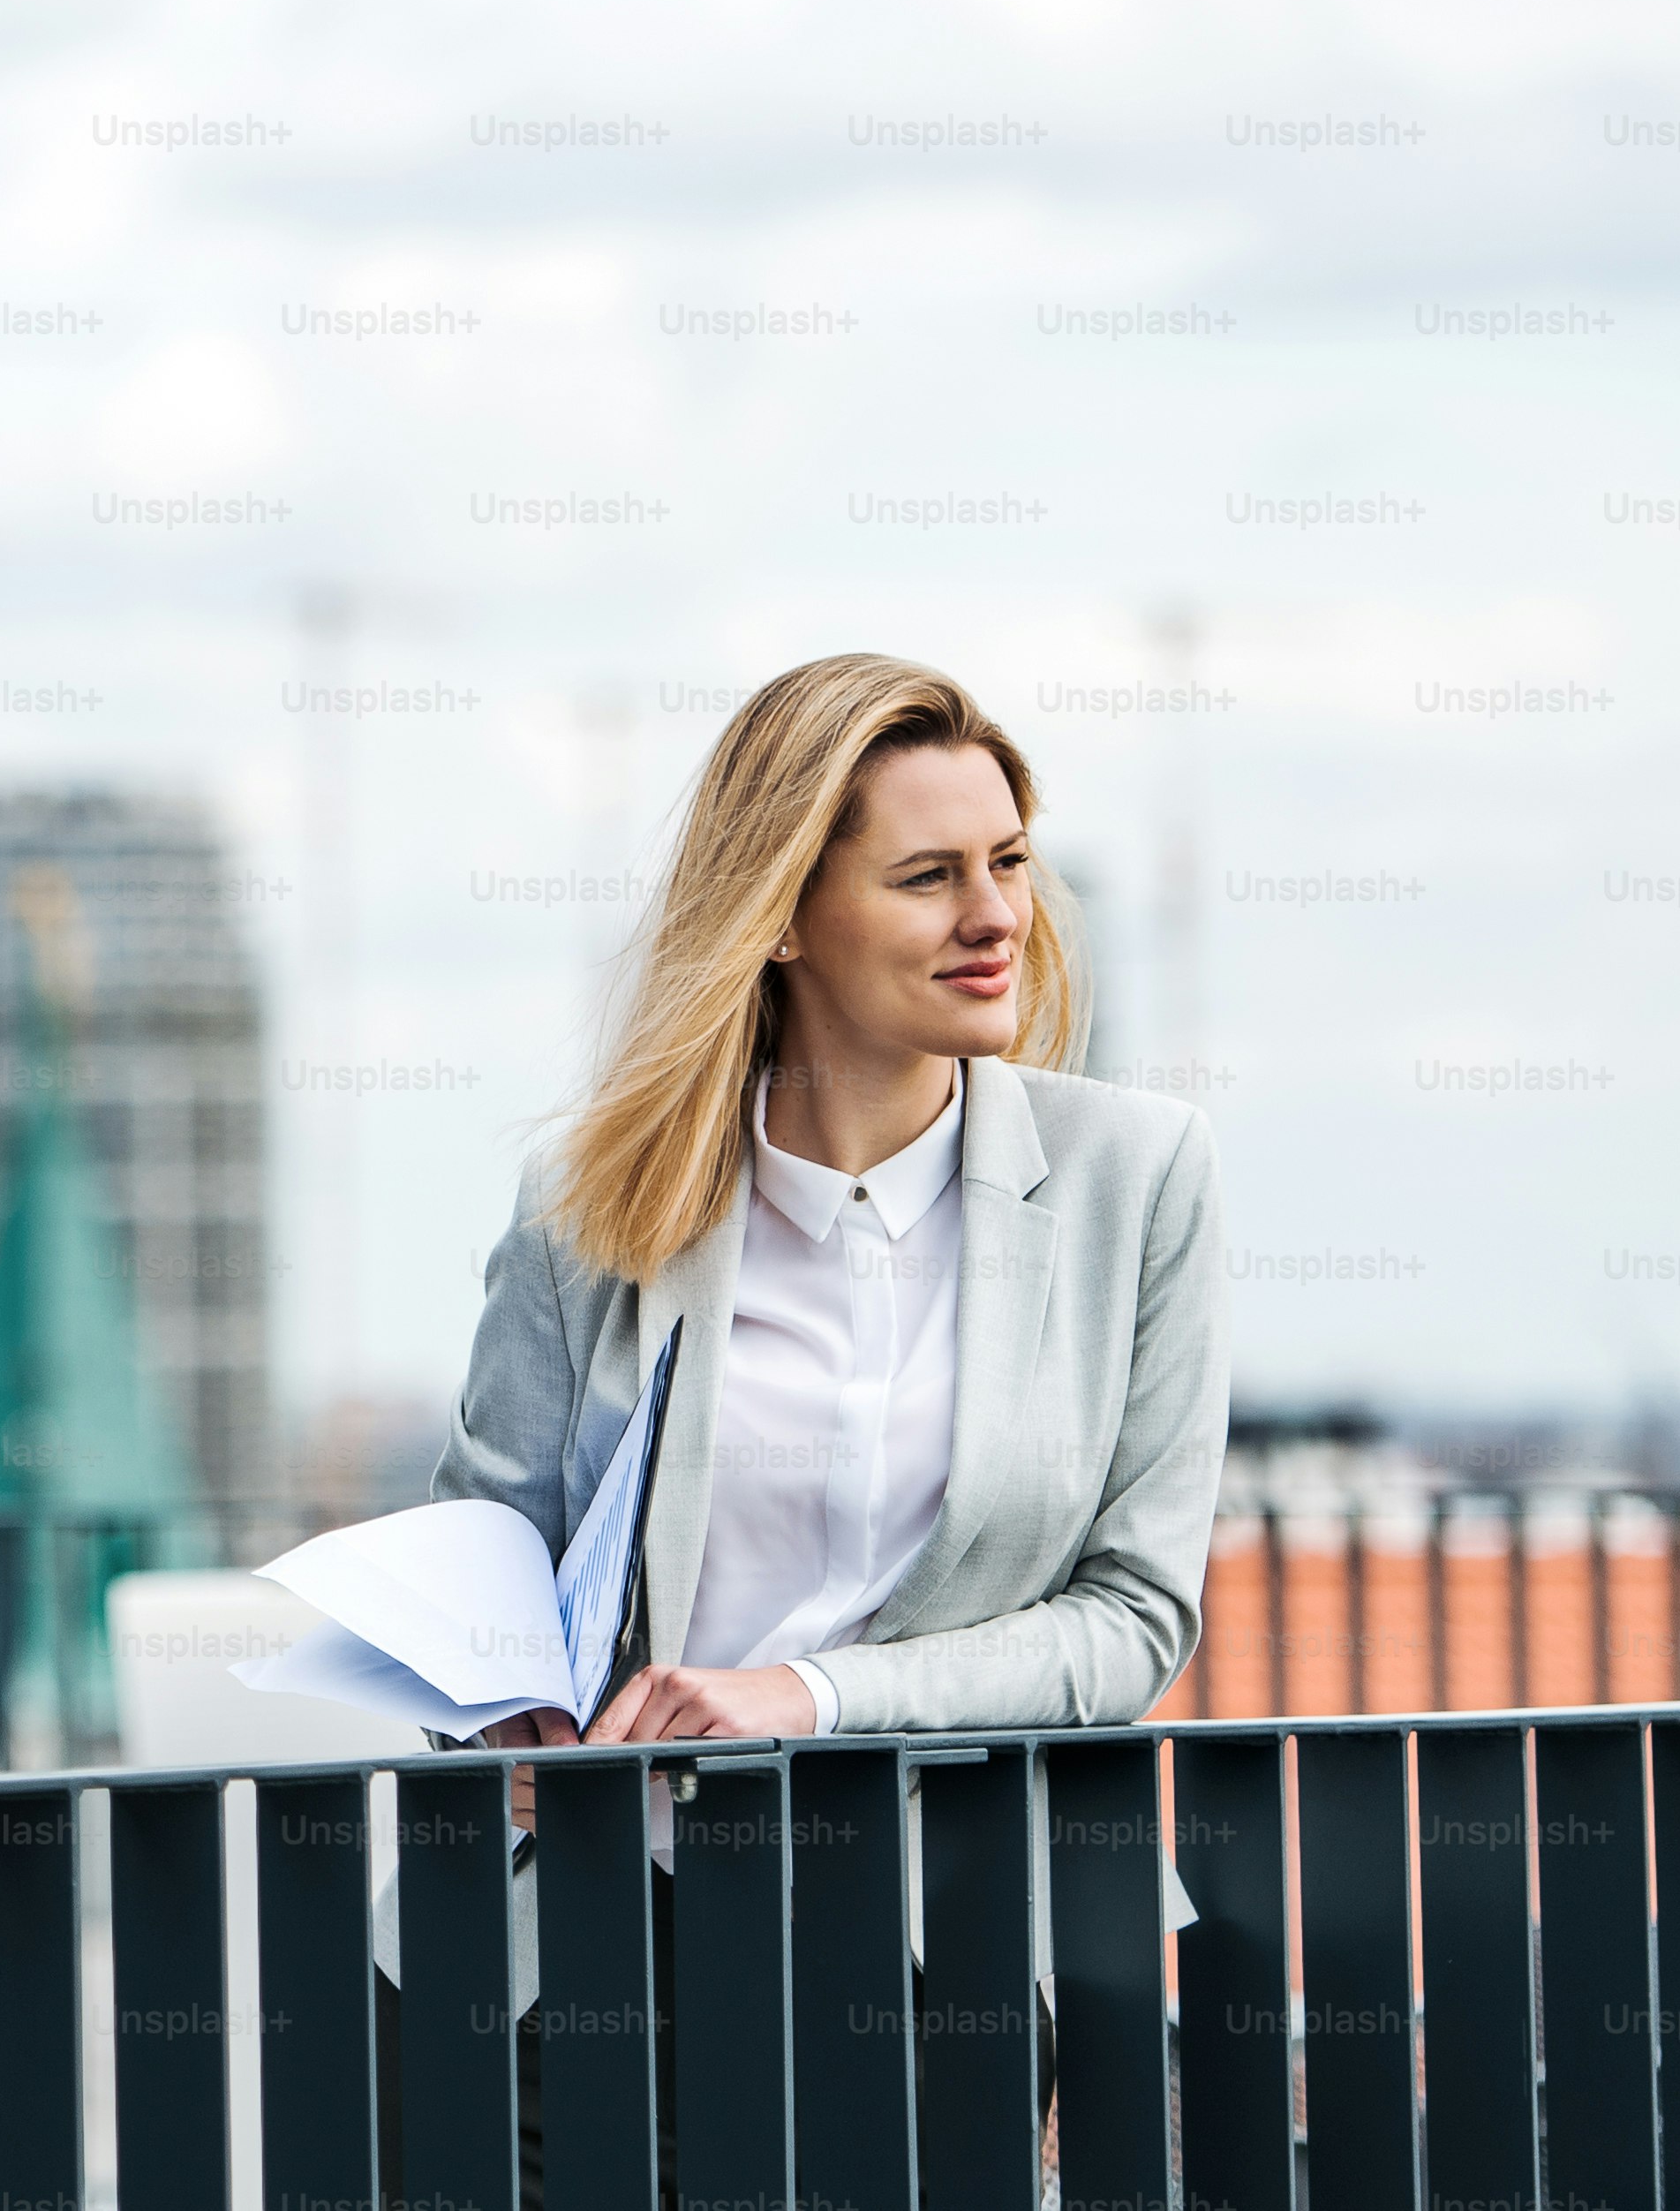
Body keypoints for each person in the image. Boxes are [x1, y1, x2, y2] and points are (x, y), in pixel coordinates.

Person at [421, 653, 1227, 2202]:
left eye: (1008, 863)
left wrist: (808, 1695)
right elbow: (487, 1548)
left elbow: (1133, 1622)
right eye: (929, 876)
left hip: (954, 1942)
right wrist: (492, 1696)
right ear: (783, 912)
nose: (996, 916)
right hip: (605, 1932)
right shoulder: (591, 1204)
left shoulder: (1142, 1178)